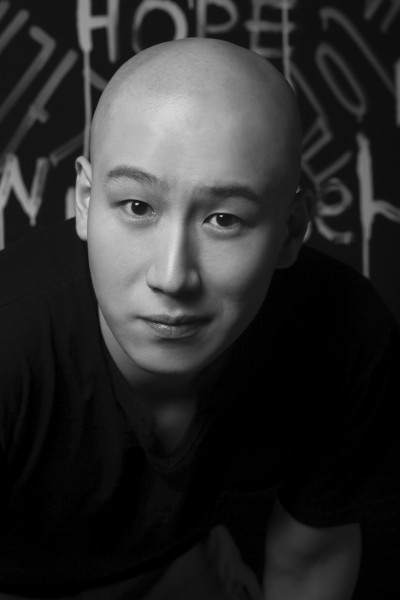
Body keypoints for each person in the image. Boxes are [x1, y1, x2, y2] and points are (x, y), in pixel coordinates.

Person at [0, 37, 399, 600]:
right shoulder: (12, 344)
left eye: (224, 219)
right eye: (137, 207)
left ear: (291, 229)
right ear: (85, 201)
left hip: (175, 566)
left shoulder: (346, 333)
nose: (172, 276)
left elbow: (311, 560)